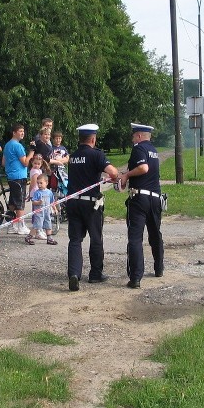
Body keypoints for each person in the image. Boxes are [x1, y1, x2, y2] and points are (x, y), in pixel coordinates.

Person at [65, 123, 118, 292]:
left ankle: (74, 273)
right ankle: (95, 273)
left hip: (73, 201)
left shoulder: (73, 156)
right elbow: (114, 172)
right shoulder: (96, 155)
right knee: (96, 238)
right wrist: (112, 178)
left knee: (75, 240)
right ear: (93, 139)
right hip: (91, 203)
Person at [118, 123, 164, 289]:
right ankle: (159, 268)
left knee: (135, 238)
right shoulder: (154, 151)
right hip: (155, 198)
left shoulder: (138, 149)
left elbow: (143, 168)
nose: (132, 139)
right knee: (155, 234)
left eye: (133, 135)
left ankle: (136, 277)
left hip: (139, 199)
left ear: (138, 136)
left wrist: (127, 175)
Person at [3, 123, 31, 235]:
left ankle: (11, 225)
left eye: (23, 131)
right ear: (14, 132)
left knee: (13, 201)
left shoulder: (7, 145)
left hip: (11, 176)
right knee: (20, 201)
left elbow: (3, 162)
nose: (22, 133)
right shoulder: (18, 146)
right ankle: (21, 225)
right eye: (20, 131)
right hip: (19, 176)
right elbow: (25, 163)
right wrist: (31, 153)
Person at [28, 174, 57, 246]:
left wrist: (55, 208)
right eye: (38, 183)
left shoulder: (49, 192)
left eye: (41, 183)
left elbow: (52, 201)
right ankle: (29, 237)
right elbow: (34, 202)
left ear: (46, 183)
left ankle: (49, 238)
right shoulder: (37, 193)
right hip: (39, 212)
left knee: (48, 223)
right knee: (37, 225)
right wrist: (38, 202)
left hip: (47, 212)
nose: (39, 185)